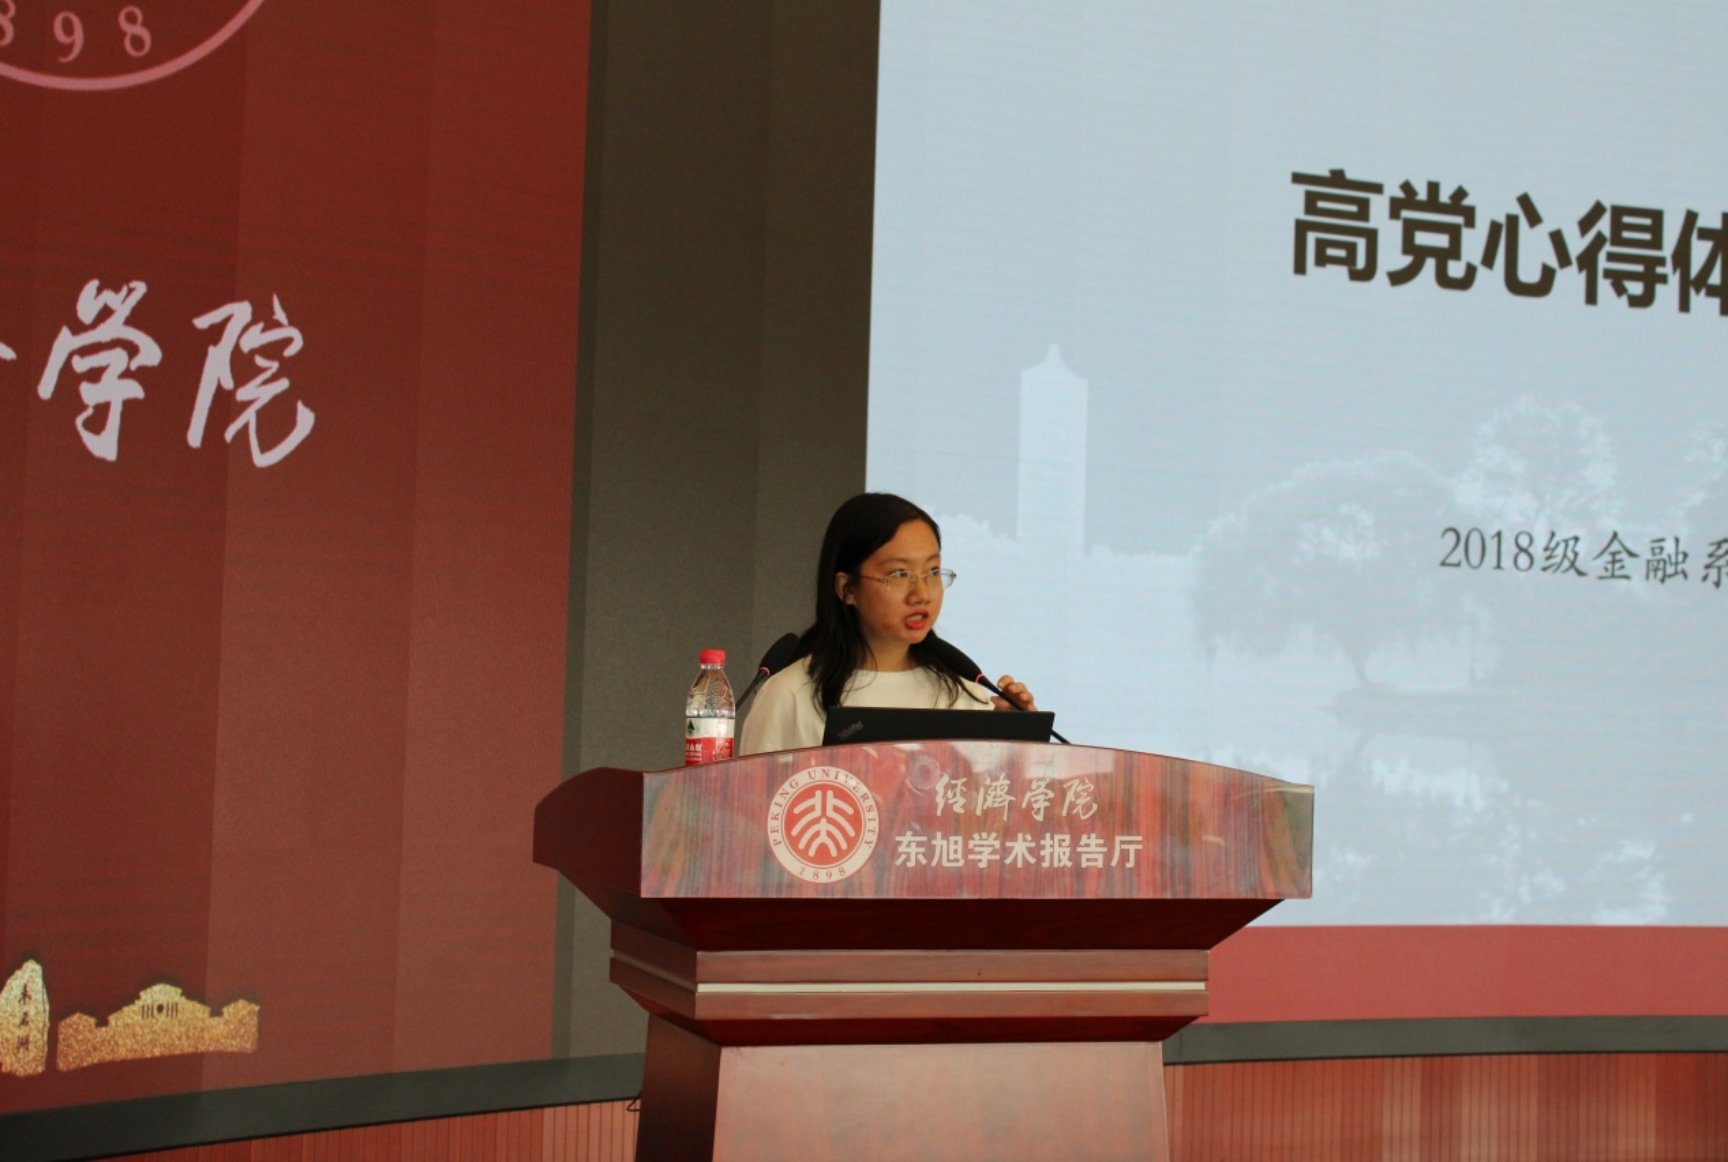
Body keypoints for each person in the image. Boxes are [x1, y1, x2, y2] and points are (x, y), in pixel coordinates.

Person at [739, 492, 1036, 754]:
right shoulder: (790, 695)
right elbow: (749, 797)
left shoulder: (964, 696)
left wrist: (1018, 741)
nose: (921, 594)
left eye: (933, 571)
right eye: (899, 574)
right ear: (847, 588)